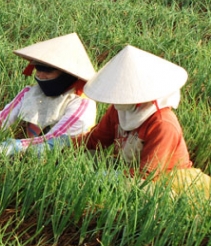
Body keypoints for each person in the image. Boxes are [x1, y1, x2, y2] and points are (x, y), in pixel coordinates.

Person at [69, 45, 210, 198]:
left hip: (165, 180)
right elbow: (96, 141)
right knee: (85, 157)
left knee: (139, 190)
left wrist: (105, 177)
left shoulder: (162, 124)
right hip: (130, 168)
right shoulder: (118, 111)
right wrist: (62, 144)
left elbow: (148, 174)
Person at [0, 33, 97, 157]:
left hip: (65, 153)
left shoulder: (81, 102)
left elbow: (57, 138)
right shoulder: (31, 93)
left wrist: (14, 147)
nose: (40, 75)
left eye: (48, 71)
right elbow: (4, 117)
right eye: (38, 69)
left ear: (67, 74)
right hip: (30, 147)